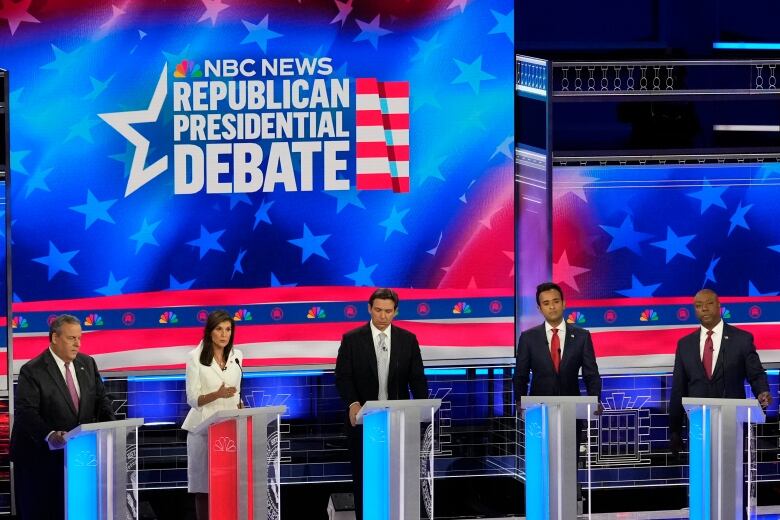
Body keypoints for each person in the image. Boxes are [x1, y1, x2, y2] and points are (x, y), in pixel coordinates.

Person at [335, 288, 428, 520]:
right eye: (378, 310)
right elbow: (342, 377)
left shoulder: (408, 340)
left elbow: (417, 378)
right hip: (364, 421)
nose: (383, 316)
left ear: (395, 312)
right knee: (365, 477)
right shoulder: (352, 340)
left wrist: (423, 409)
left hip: (399, 421)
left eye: (388, 311)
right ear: (369, 309)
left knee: (398, 476)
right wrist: (353, 403)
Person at [10, 314, 115, 519]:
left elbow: (101, 400)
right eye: (71, 338)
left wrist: (111, 427)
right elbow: (25, 412)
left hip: (80, 458)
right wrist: (49, 435)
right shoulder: (32, 370)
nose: (77, 344)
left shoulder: (87, 363)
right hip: (40, 460)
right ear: (55, 338)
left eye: (79, 338)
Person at [669, 289, 771, 456]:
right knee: (702, 477)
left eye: (709, 303)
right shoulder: (684, 345)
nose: (704, 309)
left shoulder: (741, 339)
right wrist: (674, 430)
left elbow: (756, 374)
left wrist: (763, 392)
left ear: (719, 306)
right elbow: (678, 389)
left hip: (731, 423)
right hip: (698, 425)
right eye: (698, 305)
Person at [182, 310, 243, 520]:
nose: (224, 334)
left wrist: (241, 406)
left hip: (230, 429)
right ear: (210, 332)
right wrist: (217, 394)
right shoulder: (195, 358)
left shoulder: (237, 355)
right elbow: (192, 399)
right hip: (203, 429)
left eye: (228, 329)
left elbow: (237, 391)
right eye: (219, 329)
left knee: (229, 485)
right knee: (204, 487)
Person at [513, 282, 602, 403]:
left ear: (564, 304)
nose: (552, 307)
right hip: (539, 409)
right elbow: (520, 376)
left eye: (556, 301)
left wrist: (595, 400)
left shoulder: (582, 336)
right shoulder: (528, 338)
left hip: (572, 408)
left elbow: (591, 375)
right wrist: (519, 401)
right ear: (539, 308)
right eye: (546, 303)